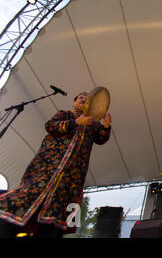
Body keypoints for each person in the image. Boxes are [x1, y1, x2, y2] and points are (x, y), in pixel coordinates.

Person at [0, 91, 111, 238]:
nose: (83, 99)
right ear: (74, 102)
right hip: (49, 165)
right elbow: (50, 126)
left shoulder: (94, 123)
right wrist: (76, 122)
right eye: (80, 98)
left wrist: (106, 127)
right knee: (30, 193)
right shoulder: (65, 114)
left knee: (60, 206)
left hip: (73, 172)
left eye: (87, 98)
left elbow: (101, 139)